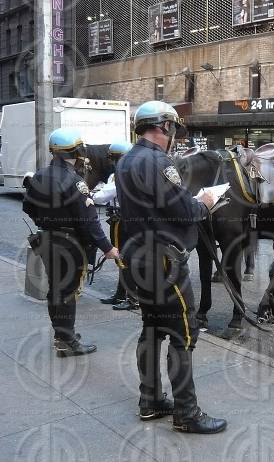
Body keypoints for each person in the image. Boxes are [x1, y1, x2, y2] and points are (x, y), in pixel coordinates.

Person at [115, 101, 227, 434]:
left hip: (139, 261)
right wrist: (204, 203)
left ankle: (150, 400)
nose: (174, 135)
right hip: (165, 263)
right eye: (173, 128)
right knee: (182, 335)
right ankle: (187, 414)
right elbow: (182, 211)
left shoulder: (126, 160)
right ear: (164, 127)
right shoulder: (158, 162)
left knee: (151, 328)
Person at [23, 128, 119, 356]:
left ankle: (62, 334)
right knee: (67, 292)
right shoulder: (75, 181)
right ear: (76, 151)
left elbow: (28, 207)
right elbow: (89, 221)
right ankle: (66, 342)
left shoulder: (39, 176)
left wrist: (44, 221)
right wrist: (107, 248)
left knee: (56, 289)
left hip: (46, 240)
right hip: (69, 245)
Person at [94, 140, 138, 311]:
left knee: (127, 259)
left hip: (124, 220)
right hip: (116, 219)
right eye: (112, 158)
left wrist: (91, 195)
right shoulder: (116, 174)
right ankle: (121, 295)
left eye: (116, 158)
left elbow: (104, 195)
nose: (113, 162)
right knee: (121, 258)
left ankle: (133, 299)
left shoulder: (126, 174)